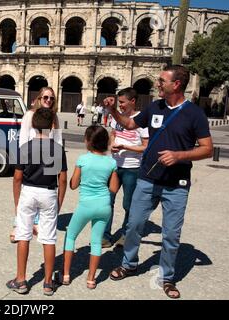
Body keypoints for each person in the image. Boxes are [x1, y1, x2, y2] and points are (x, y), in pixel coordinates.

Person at [104, 65, 213, 299]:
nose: (157, 84)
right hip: (147, 178)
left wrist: (179, 155)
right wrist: (113, 111)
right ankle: (129, 263)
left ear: (176, 85)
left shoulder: (195, 113)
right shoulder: (155, 107)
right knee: (133, 225)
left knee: (171, 234)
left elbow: (207, 149)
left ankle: (167, 277)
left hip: (177, 185)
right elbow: (130, 124)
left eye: (162, 80)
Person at [6, 107, 67, 296]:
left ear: (33, 125)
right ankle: (48, 283)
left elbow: (17, 177)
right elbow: (62, 179)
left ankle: (21, 279)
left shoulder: (25, 147)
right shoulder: (57, 149)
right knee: (48, 238)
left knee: (23, 235)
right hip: (48, 192)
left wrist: (17, 202)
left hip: (28, 191)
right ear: (51, 125)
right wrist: (59, 201)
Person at [60, 125, 119, 289]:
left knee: (70, 236)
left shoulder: (82, 159)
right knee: (96, 241)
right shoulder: (111, 162)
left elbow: (73, 184)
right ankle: (91, 279)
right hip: (104, 205)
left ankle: (65, 274)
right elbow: (114, 188)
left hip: (85, 205)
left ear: (88, 142)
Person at [10, 87, 63, 243]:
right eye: (45, 97)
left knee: (44, 191)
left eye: (51, 98)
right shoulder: (29, 115)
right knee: (28, 192)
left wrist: (57, 159)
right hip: (30, 156)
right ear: (39, 98)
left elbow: (58, 140)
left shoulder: (55, 117)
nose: (48, 100)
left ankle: (38, 224)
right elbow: (23, 139)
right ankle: (19, 224)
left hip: (49, 158)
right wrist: (24, 159)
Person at [102, 88, 149, 248]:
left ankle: (125, 234)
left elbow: (145, 147)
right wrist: (113, 143)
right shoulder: (117, 117)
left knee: (129, 204)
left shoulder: (142, 120)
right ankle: (105, 236)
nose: (120, 105)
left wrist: (126, 147)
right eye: (119, 102)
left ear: (133, 101)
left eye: (122, 102)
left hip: (132, 168)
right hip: (115, 166)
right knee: (108, 201)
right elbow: (113, 133)